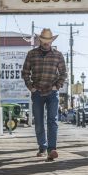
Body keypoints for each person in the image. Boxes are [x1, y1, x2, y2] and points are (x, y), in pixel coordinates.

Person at [22, 28, 67, 161]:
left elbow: (63, 73)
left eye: (48, 40)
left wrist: (56, 86)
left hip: (52, 92)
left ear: (51, 41)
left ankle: (51, 149)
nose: (46, 43)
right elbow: (25, 72)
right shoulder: (31, 54)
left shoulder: (58, 55)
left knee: (52, 120)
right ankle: (42, 146)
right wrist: (31, 87)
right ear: (40, 40)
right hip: (37, 92)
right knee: (39, 122)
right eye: (44, 40)